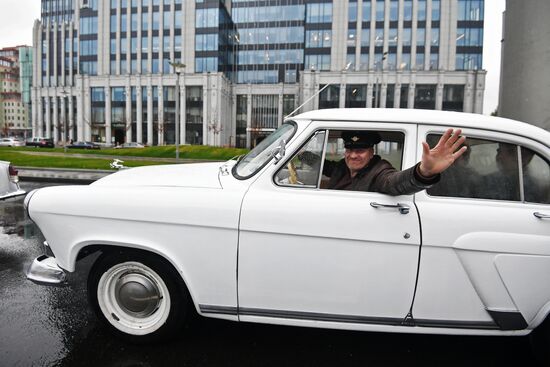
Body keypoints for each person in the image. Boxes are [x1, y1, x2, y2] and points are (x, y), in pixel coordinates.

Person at [314, 128, 467, 195]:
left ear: (371, 153)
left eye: (360, 150)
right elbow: (324, 166)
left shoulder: (379, 171)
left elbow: (396, 182)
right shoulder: (342, 167)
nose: (353, 155)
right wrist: (301, 155)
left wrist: (423, 172)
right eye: (349, 150)